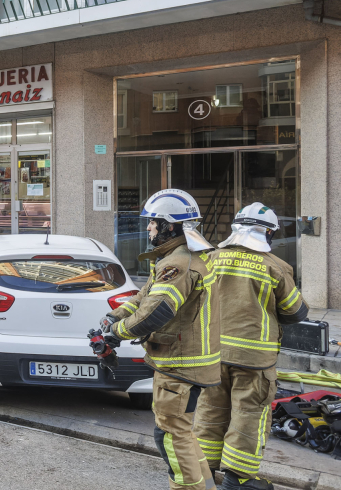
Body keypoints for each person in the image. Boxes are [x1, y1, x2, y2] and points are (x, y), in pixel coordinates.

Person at [100, 189, 219, 490]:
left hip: (179, 364)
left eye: (153, 222)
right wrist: (114, 317)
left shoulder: (177, 263)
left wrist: (116, 333)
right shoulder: (183, 256)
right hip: (191, 361)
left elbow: (156, 313)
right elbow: (145, 297)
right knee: (183, 433)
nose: (148, 228)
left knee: (170, 435)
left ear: (170, 226)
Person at [194, 204, 309, 490]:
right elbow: (296, 311)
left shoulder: (209, 259)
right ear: (267, 233)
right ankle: (238, 479)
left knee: (210, 409)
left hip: (212, 354)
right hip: (254, 359)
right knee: (249, 414)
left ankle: (202, 473)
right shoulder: (276, 266)